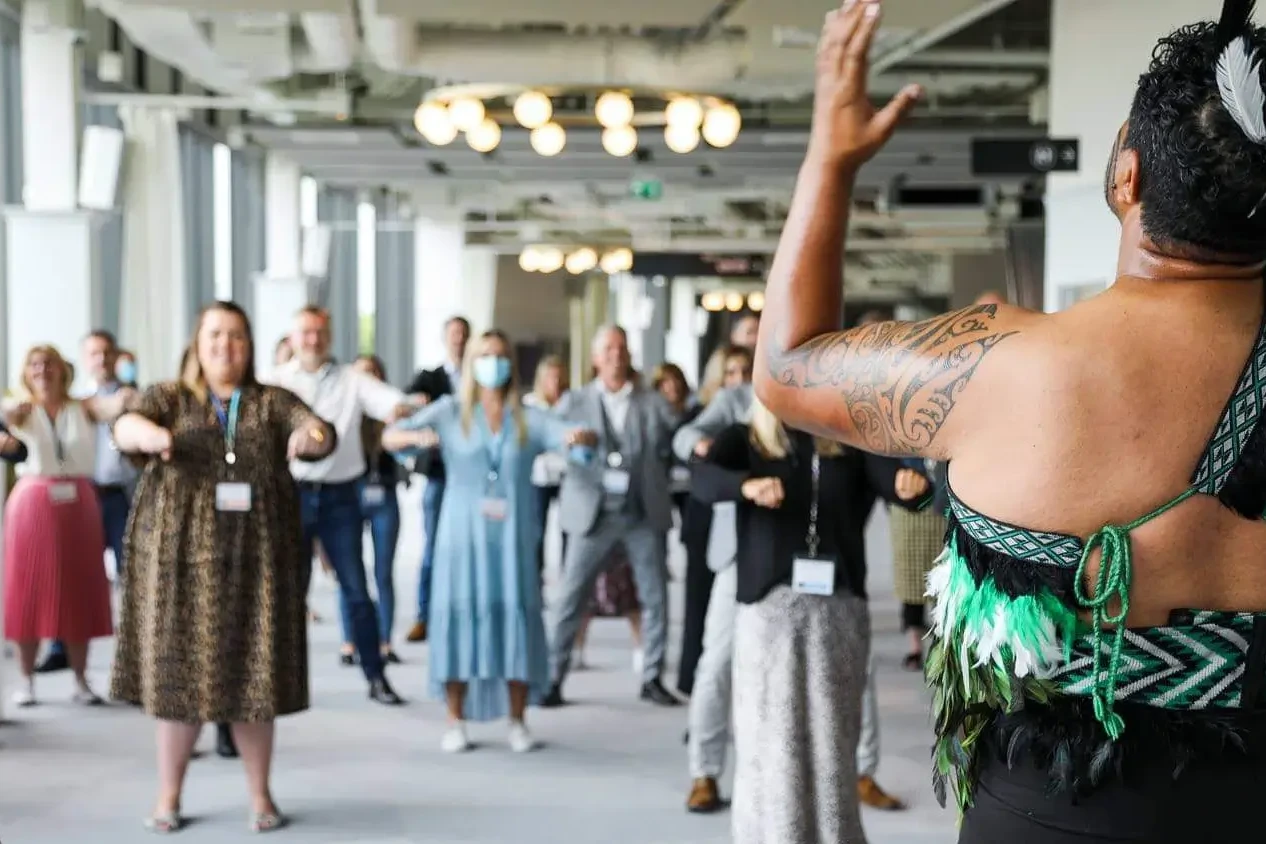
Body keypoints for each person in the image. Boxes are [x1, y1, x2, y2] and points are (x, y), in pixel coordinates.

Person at [753, 1, 1266, 840]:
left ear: (1125, 176)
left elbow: (784, 367)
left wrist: (832, 157)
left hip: (1040, 813)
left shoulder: (1000, 366)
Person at [111, 301, 336, 833]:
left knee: (254, 683)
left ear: (249, 345)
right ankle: (168, 796)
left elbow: (316, 427)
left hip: (258, 565)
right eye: (215, 334)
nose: (224, 346)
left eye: (235, 336)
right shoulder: (169, 398)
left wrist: (313, 438)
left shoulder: (271, 402)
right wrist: (147, 435)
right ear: (197, 341)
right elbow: (125, 427)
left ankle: (260, 796)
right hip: (180, 564)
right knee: (178, 682)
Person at [692, 398, 929, 830]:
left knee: (832, 748)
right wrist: (746, 486)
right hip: (767, 619)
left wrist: (910, 486)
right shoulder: (747, 439)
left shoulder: (850, 441)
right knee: (771, 744)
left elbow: (895, 481)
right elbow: (702, 479)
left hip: (837, 618)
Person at [384, 330, 594, 752]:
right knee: (460, 617)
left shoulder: (528, 417)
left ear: (512, 365)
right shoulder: (449, 411)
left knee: (515, 615)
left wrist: (581, 438)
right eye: (485, 356)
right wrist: (414, 438)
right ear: (472, 363)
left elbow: (569, 435)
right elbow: (392, 437)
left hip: (513, 536)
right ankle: (455, 719)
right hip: (461, 536)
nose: (492, 364)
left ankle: (517, 719)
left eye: (500, 356)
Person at [270, 306, 411, 705]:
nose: (313, 340)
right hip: (289, 496)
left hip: (340, 497)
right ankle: (277, 680)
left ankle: (375, 676)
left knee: (355, 588)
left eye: (319, 332)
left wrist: (413, 409)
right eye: (305, 332)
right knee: (285, 592)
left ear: (329, 336)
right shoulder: (275, 381)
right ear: (293, 338)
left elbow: (392, 403)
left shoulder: (353, 380)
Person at [544, 325, 682, 707]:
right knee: (571, 595)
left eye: (621, 348)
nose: (615, 355)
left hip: (641, 511)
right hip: (592, 513)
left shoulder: (652, 402)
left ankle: (652, 676)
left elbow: (676, 441)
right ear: (595, 357)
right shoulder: (573, 402)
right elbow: (550, 439)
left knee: (655, 596)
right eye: (607, 348)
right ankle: (553, 676)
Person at [2, 345, 128, 707]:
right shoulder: (20, 409)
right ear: (26, 372)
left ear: (63, 370)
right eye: (35, 364)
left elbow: (111, 407)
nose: (43, 371)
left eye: (49, 364)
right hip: (33, 502)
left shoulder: (82, 406)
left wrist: (127, 397)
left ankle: (80, 678)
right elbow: (6, 415)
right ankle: (26, 679)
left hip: (79, 503)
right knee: (27, 589)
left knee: (79, 589)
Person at [672, 346, 754, 696]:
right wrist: (701, 445)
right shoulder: (730, 401)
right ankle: (695, 692)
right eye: (730, 370)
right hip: (719, 516)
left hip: (767, 527)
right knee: (708, 620)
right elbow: (685, 435)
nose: (738, 376)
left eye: (744, 369)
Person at [404, 315, 471, 643]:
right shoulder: (429, 378)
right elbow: (408, 409)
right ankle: (424, 615)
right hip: (440, 474)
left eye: (463, 334)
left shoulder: (478, 379)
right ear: (445, 338)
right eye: (453, 334)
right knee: (432, 546)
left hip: (471, 476)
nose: (458, 339)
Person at [336, 354, 403, 667]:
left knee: (383, 572)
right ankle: (349, 642)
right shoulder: (343, 413)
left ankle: (385, 641)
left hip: (384, 496)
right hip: (350, 495)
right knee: (349, 572)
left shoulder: (390, 414)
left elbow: (404, 452)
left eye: (372, 375)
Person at [524, 354, 570, 574]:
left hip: (566, 476)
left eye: (559, 377)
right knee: (536, 531)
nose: (555, 382)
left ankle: (568, 578)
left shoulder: (572, 403)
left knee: (568, 530)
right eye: (551, 377)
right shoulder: (530, 405)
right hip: (539, 477)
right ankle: (535, 577)